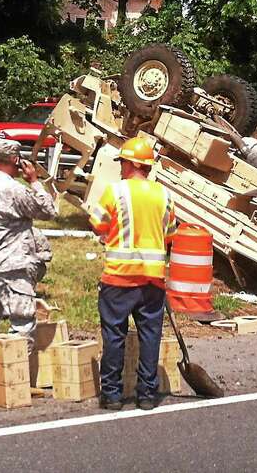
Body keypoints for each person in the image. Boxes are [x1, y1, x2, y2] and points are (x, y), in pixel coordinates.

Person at [88, 136, 177, 411]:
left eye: (122, 162)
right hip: (152, 280)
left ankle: (112, 395)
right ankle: (147, 395)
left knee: (114, 335)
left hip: (119, 277)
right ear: (147, 166)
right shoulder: (164, 195)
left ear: (129, 164)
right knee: (149, 336)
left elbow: (97, 225)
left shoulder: (115, 192)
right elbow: (170, 234)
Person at [0, 138, 58, 365]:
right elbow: (48, 210)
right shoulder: (14, 190)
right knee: (23, 324)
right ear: (16, 160)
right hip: (12, 266)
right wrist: (34, 181)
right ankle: (15, 380)